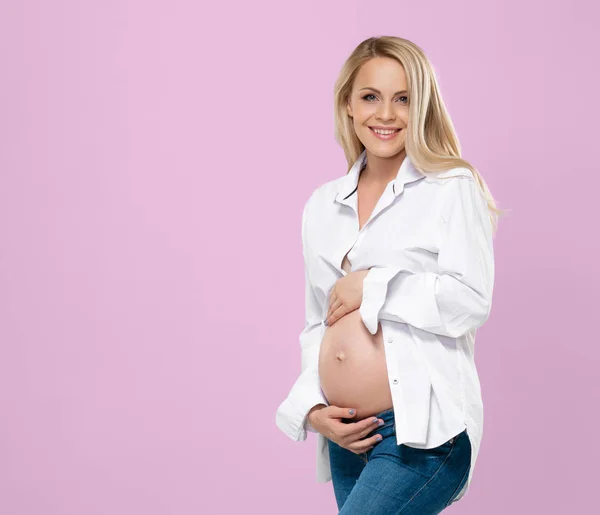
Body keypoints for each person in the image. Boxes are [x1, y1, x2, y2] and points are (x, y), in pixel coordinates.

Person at [275, 35, 500, 514]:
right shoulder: (322, 205)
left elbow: (470, 300)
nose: (386, 114)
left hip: (422, 429)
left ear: (422, 107)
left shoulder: (451, 186)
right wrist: (313, 411)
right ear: (349, 106)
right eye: (370, 97)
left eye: (404, 99)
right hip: (348, 435)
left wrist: (372, 283)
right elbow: (319, 324)